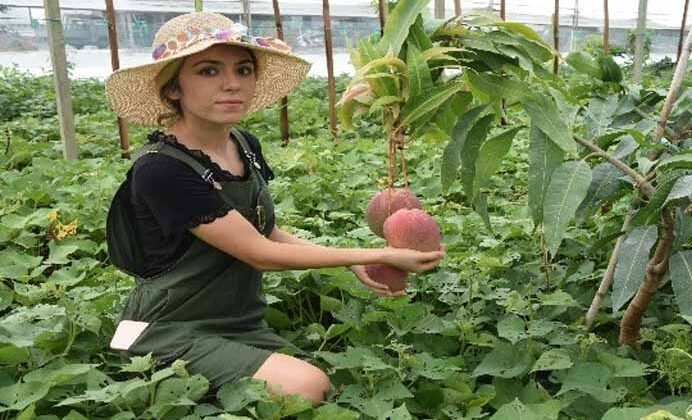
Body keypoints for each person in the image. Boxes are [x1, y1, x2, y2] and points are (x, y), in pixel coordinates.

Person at [104, 12, 444, 406]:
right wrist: (376, 253)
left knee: (330, 379)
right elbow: (260, 254)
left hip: (239, 323)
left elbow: (263, 231)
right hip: (167, 329)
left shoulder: (243, 144)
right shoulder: (162, 169)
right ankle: (162, 386)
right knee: (309, 387)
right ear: (173, 89)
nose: (232, 84)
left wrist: (350, 263)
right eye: (208, 71)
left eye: (244, 69)